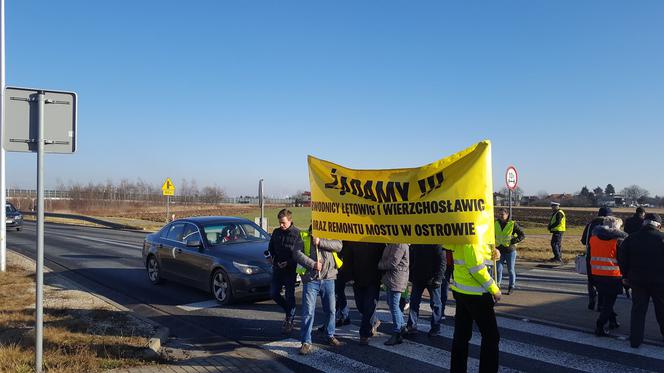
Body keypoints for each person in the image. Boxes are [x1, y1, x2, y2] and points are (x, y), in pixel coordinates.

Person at [449, 243, 501, 373]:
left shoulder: (462, 233)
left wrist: (493, 253)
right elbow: (476, 268)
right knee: (491, 337)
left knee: (461, 336)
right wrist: (494, 289)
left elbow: (474, 257)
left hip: (461, 290)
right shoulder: (473, 235)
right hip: (477, 294)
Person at [293, 225, 344, 354]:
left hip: (329, 278)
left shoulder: (332, 232)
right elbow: (297, 254)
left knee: (331, 310)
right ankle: (306, 342)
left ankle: (330, 334)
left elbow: (339, 246)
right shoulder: (304, 235)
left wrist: (320, 241)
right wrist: (313, 264)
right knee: (308, 312)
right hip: (311, 279)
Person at [618, 213, 664, 348]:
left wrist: (625, 276)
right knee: (661, 309)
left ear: (643, 223)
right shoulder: (662, 239)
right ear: (659, 226)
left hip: (637, 280)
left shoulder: (631, 238)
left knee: (638, 310)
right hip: (660, 281)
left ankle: (635, 340)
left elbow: (622, 258)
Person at [589, 216, 627, 336]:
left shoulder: (593, 239)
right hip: (613, 275)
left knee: (606, 300)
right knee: (609, 302)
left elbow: (590, 257)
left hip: (597, 274)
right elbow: (622, 261)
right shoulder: (618, 241)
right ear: (615, 227)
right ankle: (600, 325)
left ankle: (613, 321)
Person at [343, 241, 385, 345]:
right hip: (357, 278)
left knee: (369, 307)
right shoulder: (353, 241)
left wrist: (382, 277)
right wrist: (349, 276)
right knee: (360, 306)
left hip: (373, 280)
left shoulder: (379, 242)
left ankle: (364, 334)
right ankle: (374, 321)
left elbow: (383, 258)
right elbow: (348, 258)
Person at [267, 209, 300, 334]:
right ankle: (289, 310)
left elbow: (299, 254)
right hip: (277, 268)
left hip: (290, 269)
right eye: (280, 222)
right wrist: (273, 259)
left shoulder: (297, 234)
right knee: (274, 293)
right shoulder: (276, 232)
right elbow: (270, 248)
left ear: (290, 221)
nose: (281, 225)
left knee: (289, 295)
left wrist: (289, 263)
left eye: (283, 223)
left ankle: (289, 320)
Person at [404, 244, 445, 337]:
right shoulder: (416, 243)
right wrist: (411, 275)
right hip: (418, 278)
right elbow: (411, 259)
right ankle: (412, 326)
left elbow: (442, 262)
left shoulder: (436, 244)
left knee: (435, 304)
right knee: (414, 303)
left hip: (432, 279)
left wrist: (438, 278)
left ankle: (435, 327)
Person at [581, 206, 613, 311]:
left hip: (591, 256)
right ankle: (600, 304)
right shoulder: (609, 225)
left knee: (591, 280)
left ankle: (591, 300)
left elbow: (583, 240)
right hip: (605, 257)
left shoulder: (590, 225)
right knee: (603, 282)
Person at [378, 243, 410, 346]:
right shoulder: (395, 242)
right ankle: (401, 327)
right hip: (393, 277)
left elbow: (393, 262)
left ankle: (397, 333)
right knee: (391, 303)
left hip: (397, 278)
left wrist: (379, 265)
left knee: (394, 305)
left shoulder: (400, 244)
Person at [494, 208, 525, 294]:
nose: (501, 216)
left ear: (507, 215)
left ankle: (511, 286)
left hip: (510, 251)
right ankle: (497, 286)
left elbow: (522, 235)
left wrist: (513, 241)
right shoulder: (496, 224)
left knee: (510, 270)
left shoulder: (512, 224)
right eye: (499, 214)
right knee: (498, 270)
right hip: (499, 251)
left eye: (502, 214)